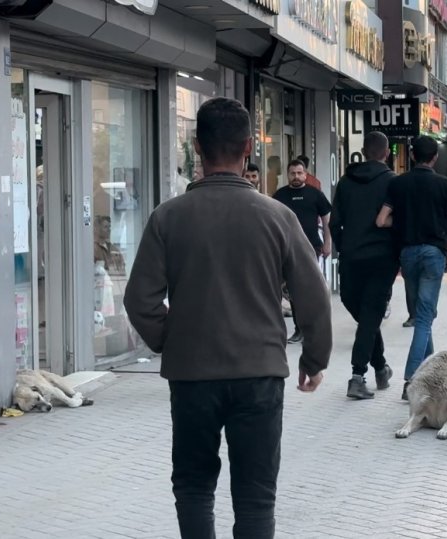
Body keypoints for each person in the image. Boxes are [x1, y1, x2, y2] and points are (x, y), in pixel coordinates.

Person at [123, 97, 331, 539]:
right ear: (249, 147)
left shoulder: (168, 217)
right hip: (259, 372)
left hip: (192, 374)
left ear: (197, 147)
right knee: (256, 496)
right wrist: (315, 357)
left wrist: (170, 339)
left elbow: (140, 299)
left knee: (194, 486)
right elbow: (313, 297)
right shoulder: (279, 217)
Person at [376, 135, 447, 399]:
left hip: (407, 255)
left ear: (412, 156)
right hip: (434, 253)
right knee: (424, 317)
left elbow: (381, 221)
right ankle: (411, 381)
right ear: (434, 157)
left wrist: (402, 225)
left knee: (421, 314)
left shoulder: (398, 183)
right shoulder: (444, 184)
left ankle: (433, 365)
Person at [329, 132, 398, 400]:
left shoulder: (345, 183)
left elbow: (334, 223)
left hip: (351, 259)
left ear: (364, 151)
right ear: (387, 152)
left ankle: (373, 370)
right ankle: (366, 372)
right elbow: (398, 220)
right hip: (382, 258)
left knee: (362, 311)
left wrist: (344, 247)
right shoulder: (392, 182)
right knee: (370, 317)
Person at [273, 160, 333, 343]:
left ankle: (315, 328)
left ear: (306, 174)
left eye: (300, 173)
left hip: (311, 247)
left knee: (312, 290)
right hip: (286, 248)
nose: (296, 177)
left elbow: (326, 220)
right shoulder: (279, 196)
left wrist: (328, 243)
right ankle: (299, 329)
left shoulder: (315, 194)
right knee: (292, 291)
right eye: (293, 173)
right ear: (288, 174)